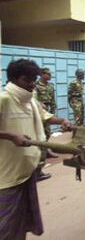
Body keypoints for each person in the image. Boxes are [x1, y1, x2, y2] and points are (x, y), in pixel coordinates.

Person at [0, 59, 72, 239]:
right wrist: (11, 136)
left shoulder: (31, 100)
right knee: (6, 225)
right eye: (27, 80)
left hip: (26, 170)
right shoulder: (4, 99)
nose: (32, 84)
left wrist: (62, 121)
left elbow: (45, 116)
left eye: (34, 79)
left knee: (22, 221)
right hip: (7, 176)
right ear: (14, 79)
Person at [34, 68, 57, 182]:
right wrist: (39, 104)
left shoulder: (50, 86)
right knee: (41, 136)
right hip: (39, 113)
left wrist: (53, 111)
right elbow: (33, 99)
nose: (50, 76)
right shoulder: (36, 86)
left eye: (50, 74)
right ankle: (38, 168)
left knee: (47, 133)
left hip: (47, 113)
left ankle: (46, 151)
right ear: (42, 74)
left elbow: (53, 99)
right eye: (48, 74)